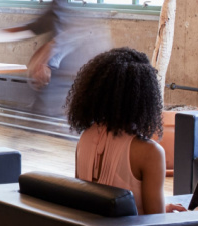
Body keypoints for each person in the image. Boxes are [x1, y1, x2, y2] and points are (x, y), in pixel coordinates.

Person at [65, 47, 187, 215]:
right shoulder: (149, 153)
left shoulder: (85, 138)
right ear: (146, 98)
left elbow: (94, 205)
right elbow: (157, 224)